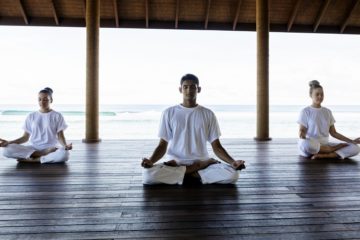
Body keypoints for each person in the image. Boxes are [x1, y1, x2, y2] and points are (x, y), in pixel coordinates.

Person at [141, 74, 245, 185]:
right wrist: (151, 161)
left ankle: (184, 174)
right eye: (185, 87)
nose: (189, 90)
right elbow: (162, 145)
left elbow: (217, 147)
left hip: (201, 162)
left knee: (233, 174)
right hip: (177, 163)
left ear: (198, 89)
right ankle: (194, 172)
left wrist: (233, 162)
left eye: (192, 87)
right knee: (148, 176)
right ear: (180, 89)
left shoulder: (208, 114)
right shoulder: (169, 113)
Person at [0, 87, 72, 163]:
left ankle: (34, 160)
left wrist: (65, 146)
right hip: (33, 148)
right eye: (39, 99)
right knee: (6, 150)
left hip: (51, 148)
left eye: (45, 99)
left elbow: (60, 136)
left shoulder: (57, 115)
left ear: (51, 100)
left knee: (65, 154)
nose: (42, 102)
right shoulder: (31, 116)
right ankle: (41, 154)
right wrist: (8, 142)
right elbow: (25, 138)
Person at [297, 80, 360, 159]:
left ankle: (327, 155)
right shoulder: (305, 111)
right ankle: (332, 150)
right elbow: (302, 130)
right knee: (306, 144)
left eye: (322, 94)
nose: (320, 96)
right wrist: (301, 134)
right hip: (312, 145)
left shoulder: (327, 112)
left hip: (324, 145)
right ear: (311, 95)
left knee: (356, 148)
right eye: (317, 94)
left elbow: (333, 133)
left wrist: (351, 141)